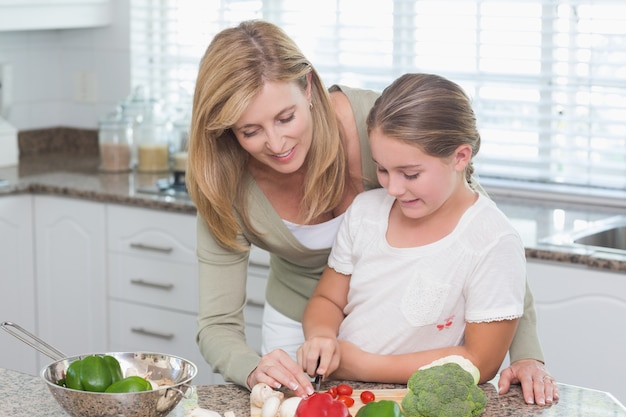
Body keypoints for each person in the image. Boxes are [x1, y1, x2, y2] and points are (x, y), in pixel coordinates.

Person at [186, 19, 558, 405]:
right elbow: (217, 324)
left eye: (285, 118)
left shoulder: (376, 125)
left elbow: (483, 229)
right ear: (226, 129)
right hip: (304, 328)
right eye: (250, 131)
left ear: (308, 86)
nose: (277, 143)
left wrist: (527, 352)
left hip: (412, 336)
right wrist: (254, 367)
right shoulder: (224, 184)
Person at [298, 72, 526, 387]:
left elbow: (481, 362)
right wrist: (321, 336)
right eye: (382, 169)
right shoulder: (366, 213)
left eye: (410, 174)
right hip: (343, 394)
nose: (392, 188)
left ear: (460, 157)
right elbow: (328, 299)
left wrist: (363, 365)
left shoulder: (491, 240)